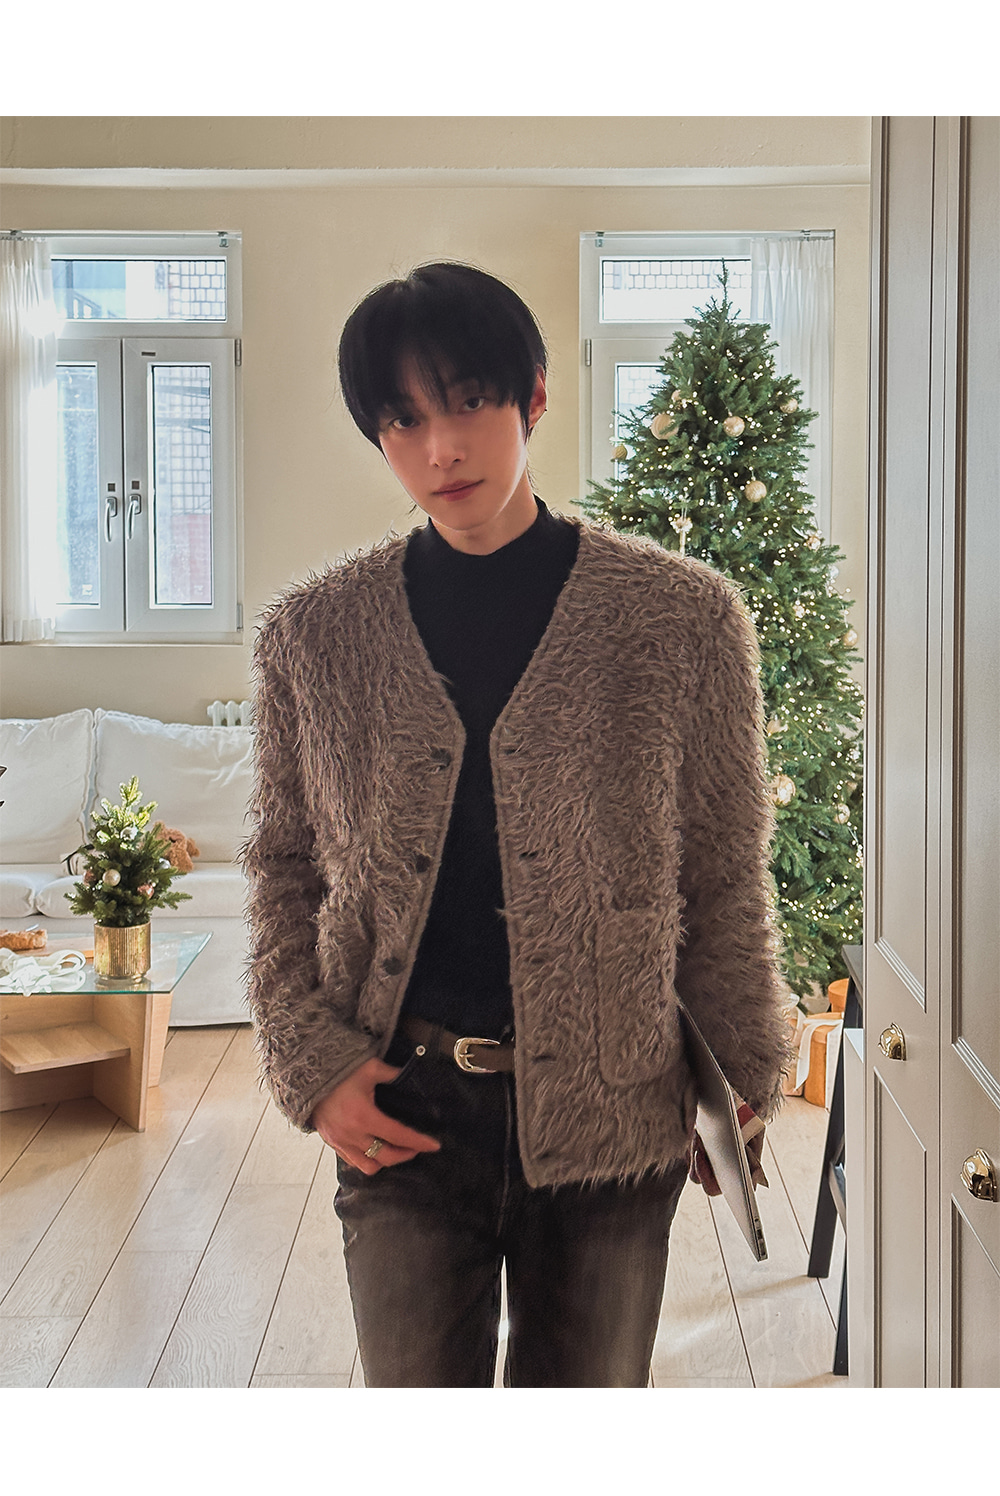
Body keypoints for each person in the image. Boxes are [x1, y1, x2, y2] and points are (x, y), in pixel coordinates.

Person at [242, 261, 791, 1388]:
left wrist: (738, 1066)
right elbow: (281, 870)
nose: (440, 448)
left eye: (467, 401)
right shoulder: (313, 634)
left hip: (614, 1110)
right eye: (403, 419)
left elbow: (725, 871)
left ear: (533, 396)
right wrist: (312, 1061)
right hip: (402, 1110)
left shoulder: (681, 620)